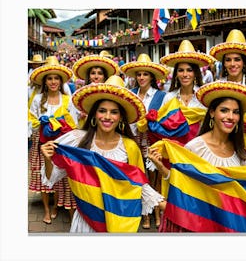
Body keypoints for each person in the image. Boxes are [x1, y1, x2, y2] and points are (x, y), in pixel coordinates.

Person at [40, 75, 165, 233]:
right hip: (86, 221)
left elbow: (138, 184)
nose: (107, 117)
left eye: (114, 112)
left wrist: (166, 206)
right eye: (102, 111)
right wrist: (48, 158)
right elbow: (52, 177)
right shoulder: (77, 140)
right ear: (93, 115)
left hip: (117, 220)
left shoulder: (130, 147)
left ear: (120, 118)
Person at [148, 80, 246, 232]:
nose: (230, 117)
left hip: (230, 226)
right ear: (212, 113)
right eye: (224, 110)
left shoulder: (240, 152)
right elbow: (185, 187)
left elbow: (244, 194)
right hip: (201, 226)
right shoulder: (195, 147)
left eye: (235, 112)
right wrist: (163, 169)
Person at [120, 53, 169, 229]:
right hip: (132, 141)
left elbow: (164, 121)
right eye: (139, 74)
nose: (141, 77)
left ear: (152, 76)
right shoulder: (129, 94)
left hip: (152, 141)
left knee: (154, 178)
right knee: (138, 177)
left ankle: (156, 212)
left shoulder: (161, 96)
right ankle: (145, 214)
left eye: (145, 74)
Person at [28, 58, 78, 224]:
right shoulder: (37, 99)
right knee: (42, 176)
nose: (53, 82)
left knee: (61, 177)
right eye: (49, 78)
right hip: (42, 143)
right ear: (45, 81)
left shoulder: (67, 99)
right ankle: (47, 210)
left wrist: (60, 125)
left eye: (56, 78)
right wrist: (42, 124)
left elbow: (73, 123)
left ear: (61, 81)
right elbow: (31, 120)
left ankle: (57, 205)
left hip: (62, 142)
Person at [157, 39, 216, 144]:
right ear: (176, 74)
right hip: (176, 151)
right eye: (181, 70)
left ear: (195, 73)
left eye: (189, 70)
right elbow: (162, 127)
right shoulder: (169, 97)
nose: (185, 74)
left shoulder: (204, 97)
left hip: (201, 148)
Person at [209, 29, 246, 156]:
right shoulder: (217, 86)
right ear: (224, 63)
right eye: (228, 60)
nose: (232, 64)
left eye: (237, 59)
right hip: (223, 145)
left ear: (244, 62)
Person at [72, 54, 120, 128]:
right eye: (93, 73)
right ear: (88, 76)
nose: (96, 77)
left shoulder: (112, 94)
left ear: (105, 76)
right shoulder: (79, 96)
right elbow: (73, 119)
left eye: (100, 73)